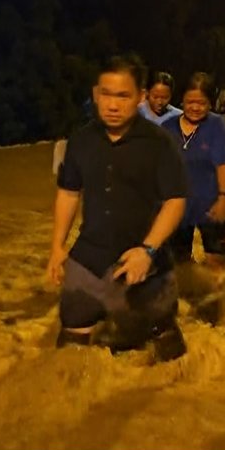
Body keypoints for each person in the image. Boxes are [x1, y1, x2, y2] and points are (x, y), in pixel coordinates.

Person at [47, 54, 188, 361]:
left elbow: (175, 201)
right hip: (89, 259)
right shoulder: (81, 141)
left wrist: (147, 251)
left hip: (145, 266)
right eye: (106, 94)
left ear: (140, 97)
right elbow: (69, 193)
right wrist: (57, 247)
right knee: (69, 350)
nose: (112, 104)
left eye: (123, 96)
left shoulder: (160, 143)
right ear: (96, 94)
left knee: (166, 355)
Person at [162, 72, 225, 271]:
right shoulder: (167, 128)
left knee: (216, 260)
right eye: (190, 101)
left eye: (201, 103)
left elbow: (222, 163)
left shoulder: (216, 125)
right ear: (181, 100)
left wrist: (224, 196)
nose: (195, 107)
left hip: (210, 203)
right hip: (177, 205)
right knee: (179, 262)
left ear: (210, 103)